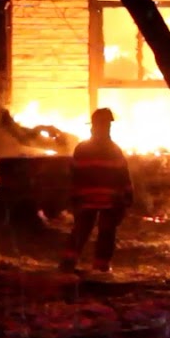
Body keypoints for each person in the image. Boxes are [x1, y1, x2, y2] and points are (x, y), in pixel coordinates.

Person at [60, 107, 134, 273]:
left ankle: (68, 266)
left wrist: (73, 198)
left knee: (82, 232)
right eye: (106, 125)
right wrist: (128, 197)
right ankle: (100, 269)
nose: (107, 128)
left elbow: (73, 175)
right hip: (108, 201)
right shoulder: (114, 150)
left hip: (88, 200)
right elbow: (124, 176)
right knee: (104, 234)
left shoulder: (82, 148)